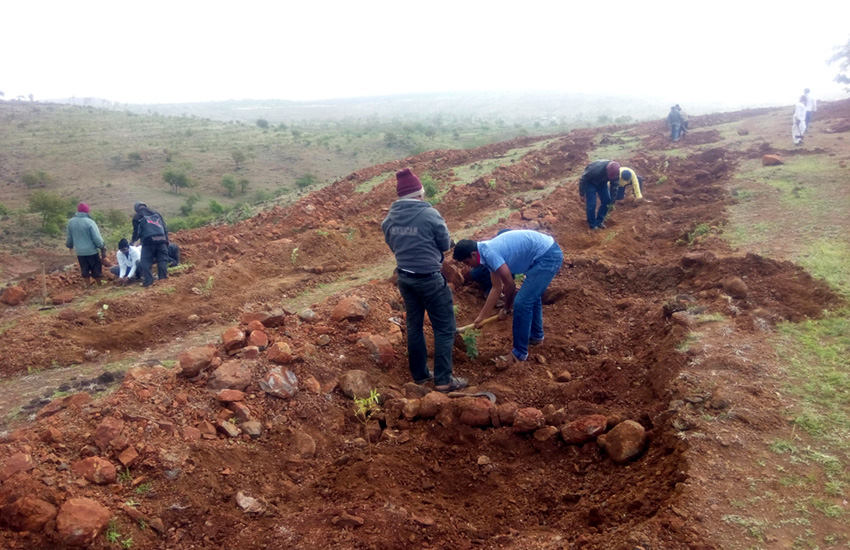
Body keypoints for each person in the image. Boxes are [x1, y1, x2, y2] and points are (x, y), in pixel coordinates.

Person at [381, 168, 467, 393]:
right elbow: (445, 244)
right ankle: (443, 380)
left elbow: (393, 245)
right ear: (419, 194)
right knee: (444, 328)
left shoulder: (389, 219)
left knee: (414, 326)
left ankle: (420, 375)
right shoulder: (430, 215)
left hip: (405, 278)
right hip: (429, 278)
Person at [453, 230, 563, 368]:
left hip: (547, 257)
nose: (468, 266)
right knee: (530, 298)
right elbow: (496, 288)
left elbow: (509, 284)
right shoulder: (486, 253)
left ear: (474, 254)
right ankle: (536, 336)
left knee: (522, 303)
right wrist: (481, 317)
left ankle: (519, 354)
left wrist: (506, 308)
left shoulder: (489, 253)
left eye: (467, 261)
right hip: (544, 255)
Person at [66, 203, 107, 288]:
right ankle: (99, 285)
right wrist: (102, 246)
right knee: (96, 268)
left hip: (80, 252)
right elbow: (97, 238)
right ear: (87, 212)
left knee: (84, 269)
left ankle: (88, 287)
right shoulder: (90, 222)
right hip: (91, 251)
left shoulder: (71, 222)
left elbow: (69, 237)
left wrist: (70, 246)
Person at [130, 201, 170, 287]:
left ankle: (148, 281)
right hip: (161, 239)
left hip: (148, 241)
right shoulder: (156, 213)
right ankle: (163, 279)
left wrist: (133, 241)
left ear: (136, 209)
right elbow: (164, 227)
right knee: (162, 259)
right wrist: (166, 240)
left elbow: (136, 232)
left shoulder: (137, 217)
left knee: (145, 261)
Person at [579, 160, 620, 230]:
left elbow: (614, 187)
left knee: (607, 201)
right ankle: (592, 224)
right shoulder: (596, 169)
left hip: (603, 183)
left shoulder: (616, 172)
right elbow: (583, 179)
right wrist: (582, 194)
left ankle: (599, 222)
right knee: (592, 204)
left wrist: (612, 203)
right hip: (590, 183)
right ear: (607, 170)